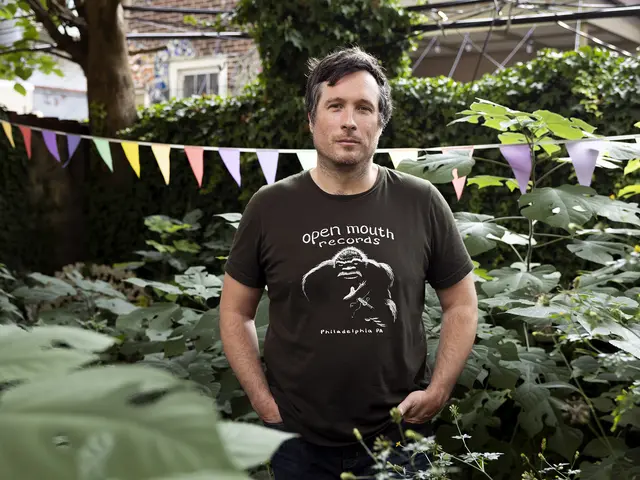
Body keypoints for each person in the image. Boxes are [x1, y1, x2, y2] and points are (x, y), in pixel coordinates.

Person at [219, 46, 478, 479]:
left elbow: (461, 304)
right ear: (311, 119)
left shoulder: (420, 201)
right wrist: (264, 402)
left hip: (400, 433)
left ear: (380, 122)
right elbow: (234, 310)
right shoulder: (270, 207)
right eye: (335, 105)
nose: (349, 121)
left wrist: (439, 388)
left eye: (364, 107)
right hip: (296, 438)